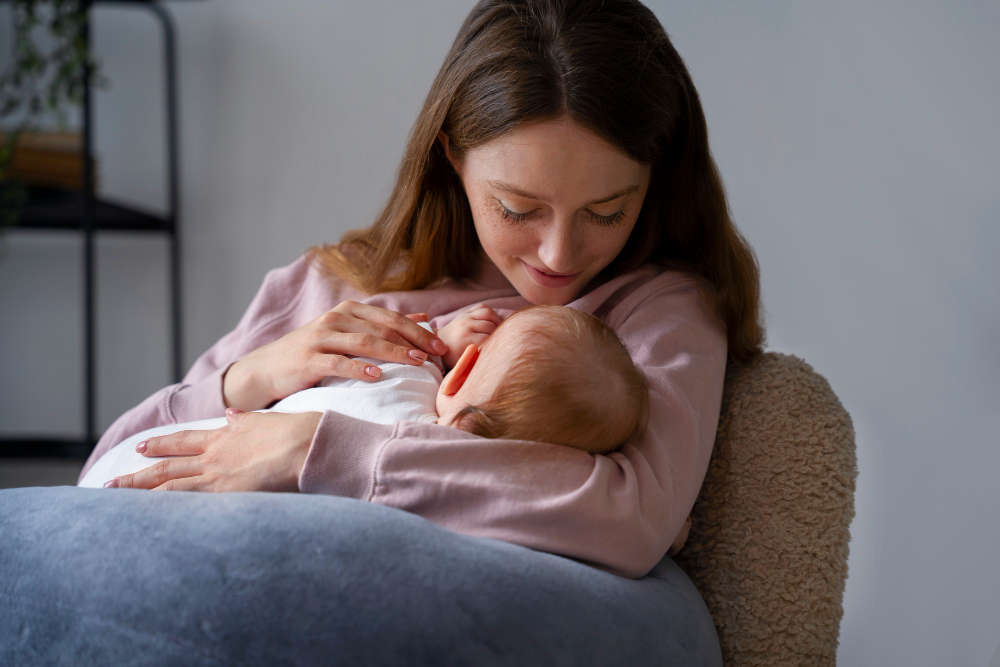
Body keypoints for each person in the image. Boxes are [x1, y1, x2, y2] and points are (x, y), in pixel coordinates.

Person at [77, 0, 764, 579]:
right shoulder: (330, 285)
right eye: (518, 208)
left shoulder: (655, 313)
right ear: (452, 158)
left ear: (656, 182)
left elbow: (634, 515)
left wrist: (313, 451)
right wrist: (248, 377)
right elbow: (113, 465)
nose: (559, 254)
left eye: (607, 210)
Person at [80, 304, 650, 488]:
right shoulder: (442, 475)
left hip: (136, 464)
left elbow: (407, 357)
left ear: (462, 368)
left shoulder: (400, 370)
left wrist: (442, 339)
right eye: (518, 207)